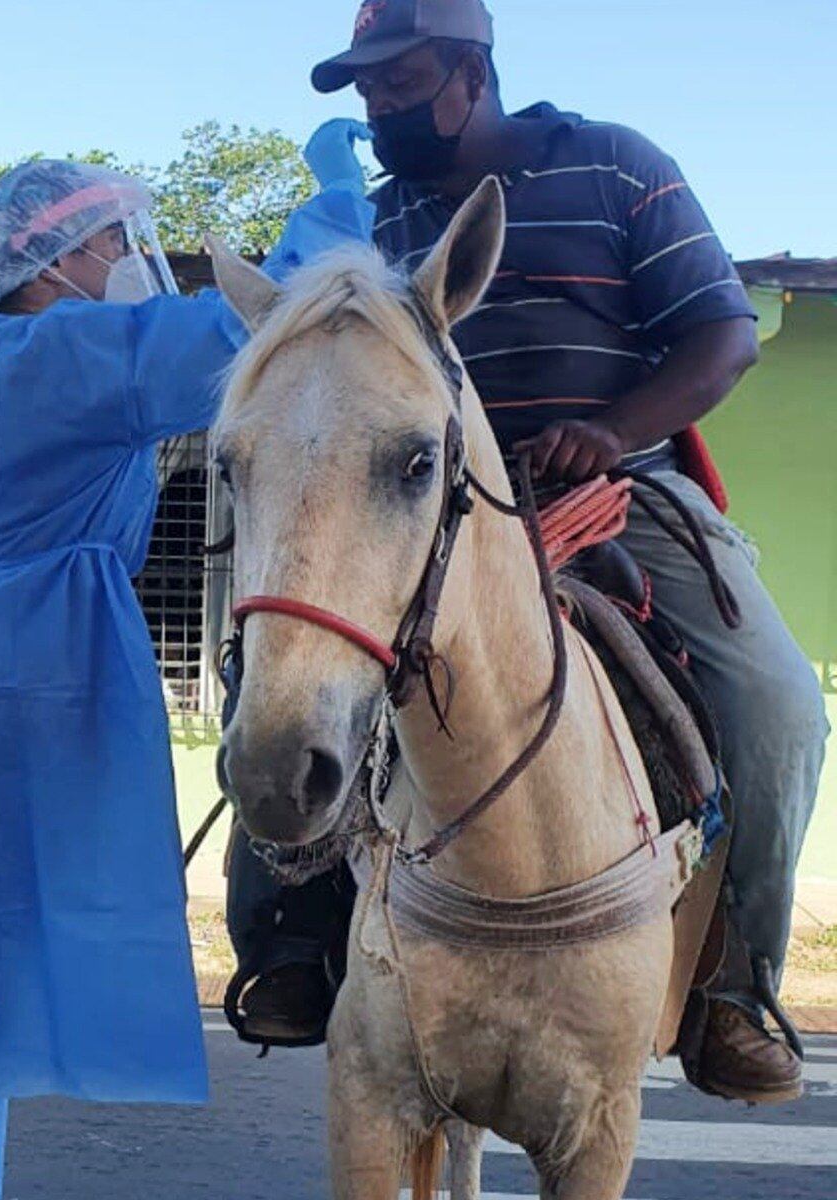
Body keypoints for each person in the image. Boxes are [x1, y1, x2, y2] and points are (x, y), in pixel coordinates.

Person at [226, 0, 827, 1105]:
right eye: (366, 90)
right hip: (427, 506)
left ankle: (736, 989)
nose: (378, 107)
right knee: (284, 650)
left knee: (781, 701)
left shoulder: (617, 166)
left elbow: (723, 332)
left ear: (470, 71)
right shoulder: (388, 216)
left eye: (397, 84)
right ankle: (288, 939)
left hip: (619, 493)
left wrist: (613, 427)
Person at [0, 158, 374, 1200]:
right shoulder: (63, 351)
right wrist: (338, 207)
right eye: (116, 243)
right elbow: (243, 338)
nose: (134, 264)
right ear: (51, 261)